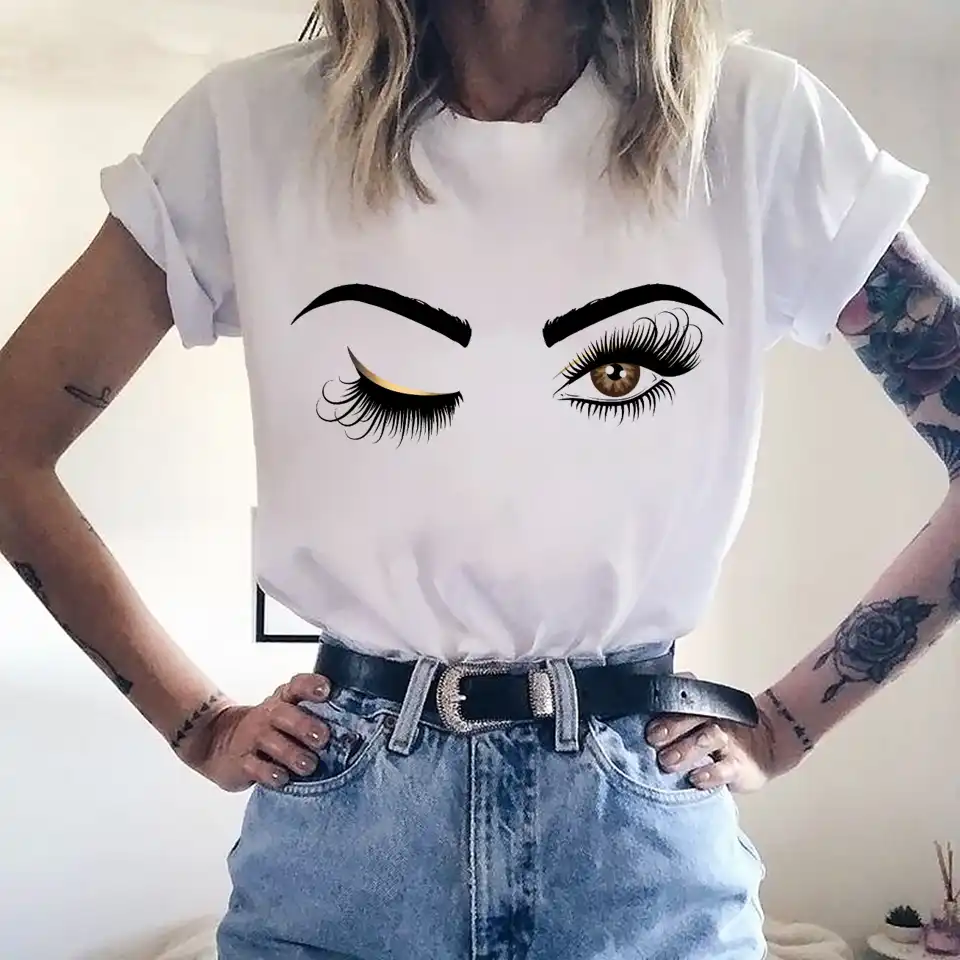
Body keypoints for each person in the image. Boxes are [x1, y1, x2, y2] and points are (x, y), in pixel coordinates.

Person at [0, 0, 955, 957]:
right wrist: (199, 725)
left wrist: (783, 726)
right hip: (345, 840)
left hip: (635, 843)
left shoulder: (757, 123)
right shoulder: (246, 128)